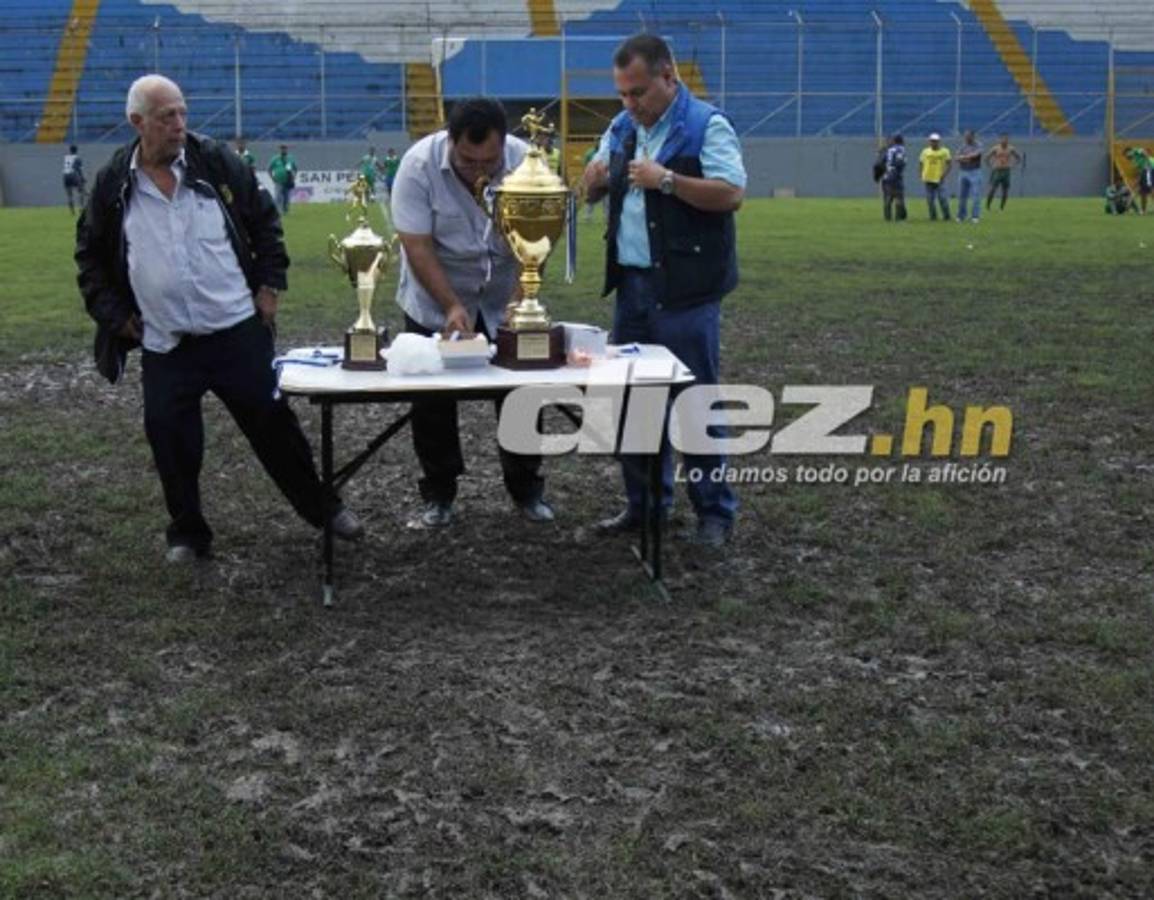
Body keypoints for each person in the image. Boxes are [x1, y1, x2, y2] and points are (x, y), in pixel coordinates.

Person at [74, 75, 363, 562]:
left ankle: (323, 509)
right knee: (170, 438)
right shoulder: (112, 183)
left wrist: (269, 288)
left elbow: (266, 225)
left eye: (183, 113)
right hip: (166, 342)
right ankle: (188, 533)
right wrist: (117, 318)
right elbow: (90, 259)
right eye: (167, 117)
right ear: (137, 122)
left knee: (275, 428)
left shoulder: (217, 163)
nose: (179, 125)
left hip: (235, 332)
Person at [582, 34, 744, 549]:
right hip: (632, 288)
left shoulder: (707, 126)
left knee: (695, 405)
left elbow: (731, 192)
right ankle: (645, 505)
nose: (630, 104)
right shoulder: (620, 127)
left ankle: (714, 514)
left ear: (669, 77)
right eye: (622, 94)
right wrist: (594, 178)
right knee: (633, 405)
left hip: (686, 292)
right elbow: (593, 182)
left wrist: (667, 180)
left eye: (639, 93)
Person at [390, 97, 553, 528]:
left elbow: (539, 240)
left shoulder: (525, 163)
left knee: (521, 392)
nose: (479, 170)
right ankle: (439, 494)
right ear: (450, 140)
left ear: (505, 144)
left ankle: (527, 489)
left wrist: (522, 299)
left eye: (489, 160)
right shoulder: (417, 166)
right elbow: (416, 244)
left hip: (502, 290)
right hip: (434, 293)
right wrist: (451, 306)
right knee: (432, 399)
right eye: (467, 160)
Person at [920, 133, 952, 221]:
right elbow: (921, 163)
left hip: (939, 178)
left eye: (935, 141)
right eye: (932, 141)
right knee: (930, 200)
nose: (933, 143)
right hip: (928, 178)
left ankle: (947, 216)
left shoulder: (945, 151)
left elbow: (949, 164)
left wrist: (944, 174)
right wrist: (921, 174)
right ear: (929, 142)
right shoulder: (925, 151)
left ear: (939, 142)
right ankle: (933, 217)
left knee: (942, 198)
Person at [985, 134, 1021, 211]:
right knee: (992, 189)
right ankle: (988, 206)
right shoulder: (995, 148)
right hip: (997, 170)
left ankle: (1001, 208)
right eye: (1003, 139)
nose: (1004, 141)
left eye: (1006, 139)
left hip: (1006, 171)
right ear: (1000, 139)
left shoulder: (1011, 148)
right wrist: (991, 165)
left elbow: (1018, 157)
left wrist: (1013, 165)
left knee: (1005, 190)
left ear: (1008, 140)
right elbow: (986, 157)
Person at [955, 129, 983, 223]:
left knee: (976, 195)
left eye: (968, 136)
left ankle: (975, 216)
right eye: (965, 136)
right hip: (963, 172)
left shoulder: (978, 145)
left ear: (972, 136)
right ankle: (961, 216)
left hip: (975, 172)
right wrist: (967, 158)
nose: (966, 138)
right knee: (962, 195)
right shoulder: (962, 146)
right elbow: (956, 158)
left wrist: (964, 157)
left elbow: (976, 155)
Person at [878, 133, 907, 222]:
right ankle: (898, 218)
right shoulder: (900, 149)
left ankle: (887, 218)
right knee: (899, 196)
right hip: (895, 175)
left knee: (888, 196)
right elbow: (899, 162)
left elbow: (880, 162)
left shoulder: (888, 150)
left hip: (886, 175)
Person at [267, 144, 297, 215]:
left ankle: (285, 210)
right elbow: (269, 169)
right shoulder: (275, 159)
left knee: (286, 197)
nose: (283, 150)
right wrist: (272, 177)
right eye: (282, 149)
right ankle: (276, 211)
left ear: (287, 149)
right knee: (277, 196)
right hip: (278, 180)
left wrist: (294, 176)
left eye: (285, 149)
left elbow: (295, 168)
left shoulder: (290, 159)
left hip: (288, 180)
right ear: (279, 150)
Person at [1125, 146, 1153, 215]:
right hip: (1145, 171)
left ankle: (1131, 208)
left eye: (1126, 155)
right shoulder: (1134, 161)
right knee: (1143, 192)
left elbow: (1143, 151)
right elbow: (1139, 172)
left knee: (1150, 189)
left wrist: (1147, 162)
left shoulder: (1134, 151)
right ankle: (1143, 211)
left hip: (1149, 169)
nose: (1126, 157)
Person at [62, 144, 87, 215]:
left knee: (69, 195)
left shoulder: (66, 157)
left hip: (65, 175)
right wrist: (83, 178)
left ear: (70, 150)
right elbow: (79, 170)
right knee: (81, 192)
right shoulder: (78, 158)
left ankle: (72, 211)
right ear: (77, 150)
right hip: (73, 175)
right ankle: (81, 208)